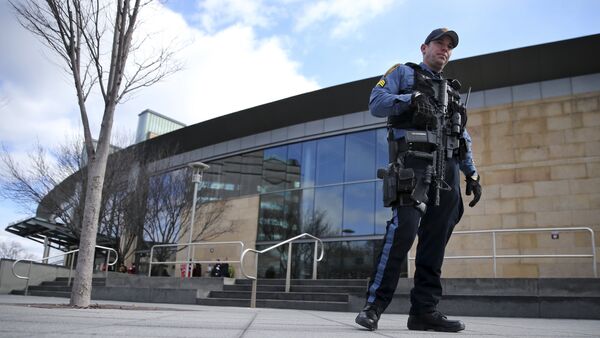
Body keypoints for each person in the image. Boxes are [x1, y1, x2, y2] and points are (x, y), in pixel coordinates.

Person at [355, 28, 482, 332]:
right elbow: (376, 103)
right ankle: (373, 306)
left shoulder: (452, 91)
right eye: (440, 43)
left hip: (447, 169)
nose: (445, 49)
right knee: (404, 230)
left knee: (435, 242)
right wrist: (410, 99)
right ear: (424, 47)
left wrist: (472, 173)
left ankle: (424, 311)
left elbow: (461, 136)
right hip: (413, 160)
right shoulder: (403, 73)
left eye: (450, 46)